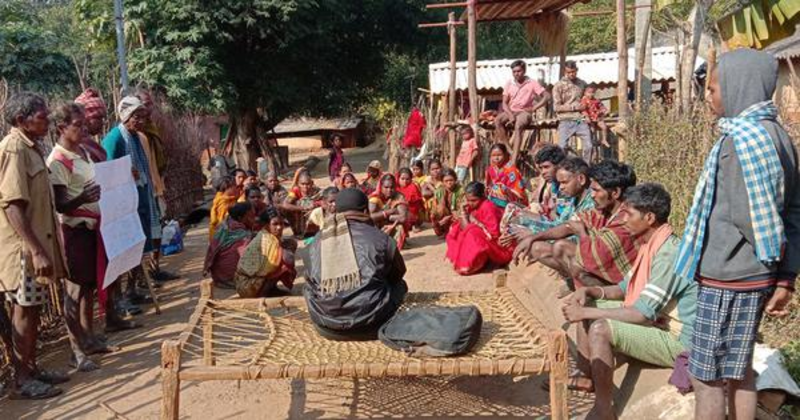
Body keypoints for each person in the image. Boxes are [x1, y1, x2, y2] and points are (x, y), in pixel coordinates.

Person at [675, 49, 800, 420]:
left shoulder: (738, 143)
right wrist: (784, 275)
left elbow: (750, 217)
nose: (709, 97)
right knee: (739, 367)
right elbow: (793, 211)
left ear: (738, 87)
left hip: (728, 275)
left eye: (714, 89)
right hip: (757, 276)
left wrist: (771, 254)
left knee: (706, 376)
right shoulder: (779, 137)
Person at [561, 183, 697, 419]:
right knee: (588, 306)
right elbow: (624, 289)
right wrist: (591, 292)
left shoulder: (669, 254)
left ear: (649, 218)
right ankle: (588, 375)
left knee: (600, 328)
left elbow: (641, 313)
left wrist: (587, 314)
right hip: (658, 321)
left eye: (630, 214)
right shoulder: (651, 246)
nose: (624, 220)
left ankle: (603, 410)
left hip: (679, 340)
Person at [0, 92, 70, 399]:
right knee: (24, 311)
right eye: (42, 117)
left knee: (32, 309)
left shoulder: (31, 148)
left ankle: (31, 368)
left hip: (33, 245)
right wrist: (37, 250)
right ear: (21, 120)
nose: (48, 122)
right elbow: (12, 205)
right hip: (23, 250)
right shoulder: (14, 149)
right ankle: (22, 380)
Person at [48, 103, 109, 372]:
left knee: (87, 287)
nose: (84, 128)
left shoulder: (82, 153)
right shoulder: (58, 161)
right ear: (62, 128)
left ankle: (89, 339)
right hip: (74, 232)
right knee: (74, 291)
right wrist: (84, 197)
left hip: (90, 230)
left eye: (84, 123)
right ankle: (76, 351)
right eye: (78, 124)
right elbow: (61, 204)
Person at [514, 160, 639, 290]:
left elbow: (596, 258)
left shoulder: (626, 220)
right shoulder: (603, 210)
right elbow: (569, 226)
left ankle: (598, 292)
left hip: (624, 283)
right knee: (557, 247)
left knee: (570, 258)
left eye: (596, 190)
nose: (592, 195)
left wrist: (581, 233)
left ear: (615, 193)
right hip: (603, 266)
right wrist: (533, 237)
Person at [303, 188, 408, 340]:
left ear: (336, 212)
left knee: (308, 287)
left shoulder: (317, 240)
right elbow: (397, 275)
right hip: (373, 325)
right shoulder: (381, 238)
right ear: (366, 211)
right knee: (400, 285)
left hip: (326, 326)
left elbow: (310, 278)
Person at [74, 88, 137, 332]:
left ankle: (111, 317)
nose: (101, 122)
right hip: (86, 223)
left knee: (110, 268)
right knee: (87, 282)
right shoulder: (76, 151)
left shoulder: (93, 147)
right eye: (97, 118)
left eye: (102, 117)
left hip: (105, 216)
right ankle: (89, 332)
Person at [103, 96, 160, 308]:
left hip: (139, 199)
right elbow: (107, 172)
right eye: (137, 117)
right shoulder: (114, 139)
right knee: (123, 250)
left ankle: (132, 290)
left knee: (138, 246)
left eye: (144, 117)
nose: (141, 121)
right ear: (126, 116)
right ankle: (119, 298)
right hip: (123, 205)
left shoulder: (136, 137)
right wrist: (125, 173)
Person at [500, 156, 595, 247]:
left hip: (575, 249)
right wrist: (524, 225)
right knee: (517, 223)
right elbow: (558, 224)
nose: (561, 187)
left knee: (536, 245)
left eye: (564, 182)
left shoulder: (592, 203)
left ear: (581, 179)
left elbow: (574, 239)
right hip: (560, 237)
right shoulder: (574, 200)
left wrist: (533, 235)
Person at [445, 181, 513, 275]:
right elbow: (464, 226)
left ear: (482, 196)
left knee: (472, 233)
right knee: (456, 227)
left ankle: (474, 264)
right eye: (468, 200)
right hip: (487, 239)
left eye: (474, 200)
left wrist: (475, 223)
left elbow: (494, 235)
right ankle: (463, 259)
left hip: (498, 247)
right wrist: (463, 212)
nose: (470, 203)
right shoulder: (473, 206)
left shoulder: (488, 207)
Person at [494, 60, 551, 163]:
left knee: (519, 125)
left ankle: (514, 159)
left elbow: (547, 96)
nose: (516, 74)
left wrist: (534, 108)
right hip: (511, 110)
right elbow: (504, 103)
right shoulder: (509, 83)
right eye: (514, 71)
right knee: (497, 121)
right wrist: (510, 115)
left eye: (519, 71)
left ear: (524, 71)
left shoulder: (532, 83)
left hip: (525, 112)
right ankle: (509, 149)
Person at [234, 206, 297, 298]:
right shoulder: (267, 240)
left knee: (289, 244)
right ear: (266, 225)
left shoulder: (269, 235)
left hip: (248, 282)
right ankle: (264, 292)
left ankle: (271, 288)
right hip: (247, 286)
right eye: (275, 224)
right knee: (283, 262)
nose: (279, 227)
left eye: (281, 223)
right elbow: (287, 260)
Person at [204, 203, 255, 290]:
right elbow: (247, 258)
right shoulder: (242, 236)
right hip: (230, 279)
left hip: (218, 277)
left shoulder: (225, 224)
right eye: (251, 216)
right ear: (240, 218)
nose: (254, 219)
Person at [553, 60, 592, 162]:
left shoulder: (582, 84)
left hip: (580, 119)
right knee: (562, 147)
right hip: (565, 119)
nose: (571, 74)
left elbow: (590, 99)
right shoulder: (558, 86)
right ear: (564, 72)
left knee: (588, 146)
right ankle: (563, 167)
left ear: (577, 70)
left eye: (573, 72)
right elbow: (556, 107)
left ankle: (586, 168)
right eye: (568, 72)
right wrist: (574, 108)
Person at [369, 174, 410, 249]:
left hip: (392, 225)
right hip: (378, 226)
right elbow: (370, 217)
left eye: (392, 187)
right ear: (381, 187)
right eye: (386, 187)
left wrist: (385, 217)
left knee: (400, 228)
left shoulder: (399, 196)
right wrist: (389, 212)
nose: (389, 190)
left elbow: (403, 218)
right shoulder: (375, 197)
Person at [485, 143, 528, 209]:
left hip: (515, 200)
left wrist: (502, 189)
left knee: (498, 187)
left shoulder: (511, 170)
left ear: (505, 155)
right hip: (496, 197)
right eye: (493, 155)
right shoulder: (490, 169)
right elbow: (488, 185)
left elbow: (520, 192)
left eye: (499, 155)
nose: (496, 158)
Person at [531, 144, 568, 219]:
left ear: (559, 165)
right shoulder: (554, 185)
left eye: (546, 167)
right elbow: (554, 207)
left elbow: (564, 213)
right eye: (541, 168)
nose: (543, 172)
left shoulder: (568, 185)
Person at [74, 88, 108, 163]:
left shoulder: (90, 145)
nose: (102, 122)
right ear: (85, 118)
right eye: (98, 118)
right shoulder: (79, 147)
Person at [283, 170, 321, 237]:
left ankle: (315, 231)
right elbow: (285, 204)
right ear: (298, 184)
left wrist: (315, 205)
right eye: (302, 184)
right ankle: (298, 231)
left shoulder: (317, 191)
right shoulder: (295, 190)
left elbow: (325, 202)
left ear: (312, 183)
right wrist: (303, 208)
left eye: (308, 184)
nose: (305, 186)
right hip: (300, 216)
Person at [430, 168, 464, 237]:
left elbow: (462, 209)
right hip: (443, 217)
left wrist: (449, 217)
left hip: (455, 215)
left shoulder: (461, 191)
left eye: (451, 180)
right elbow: (434, 209)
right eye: (446, 181)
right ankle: (443, 230)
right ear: (442, 182)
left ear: (455, 180)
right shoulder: (438, 191)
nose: (449, 183)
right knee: (437, 211)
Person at [209, 176, 239, 241]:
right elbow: (223, 219)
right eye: (234, 186)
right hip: (222, 232)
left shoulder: (232, 199)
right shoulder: (222, 201)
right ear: (226, 187)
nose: (236, 188)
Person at [581, 85, 610, 149]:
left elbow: (602, 106)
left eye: (593, 92)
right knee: (592, 130)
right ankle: (591, 141)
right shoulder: (584, 100)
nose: (591, 94)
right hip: (589, 118)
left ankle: (604, 140)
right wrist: (586, 116)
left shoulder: (596, 100)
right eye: (589, 92)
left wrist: (605, 111)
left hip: (597, 117)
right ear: (585, 93)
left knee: (604, 127)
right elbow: (583, 110)